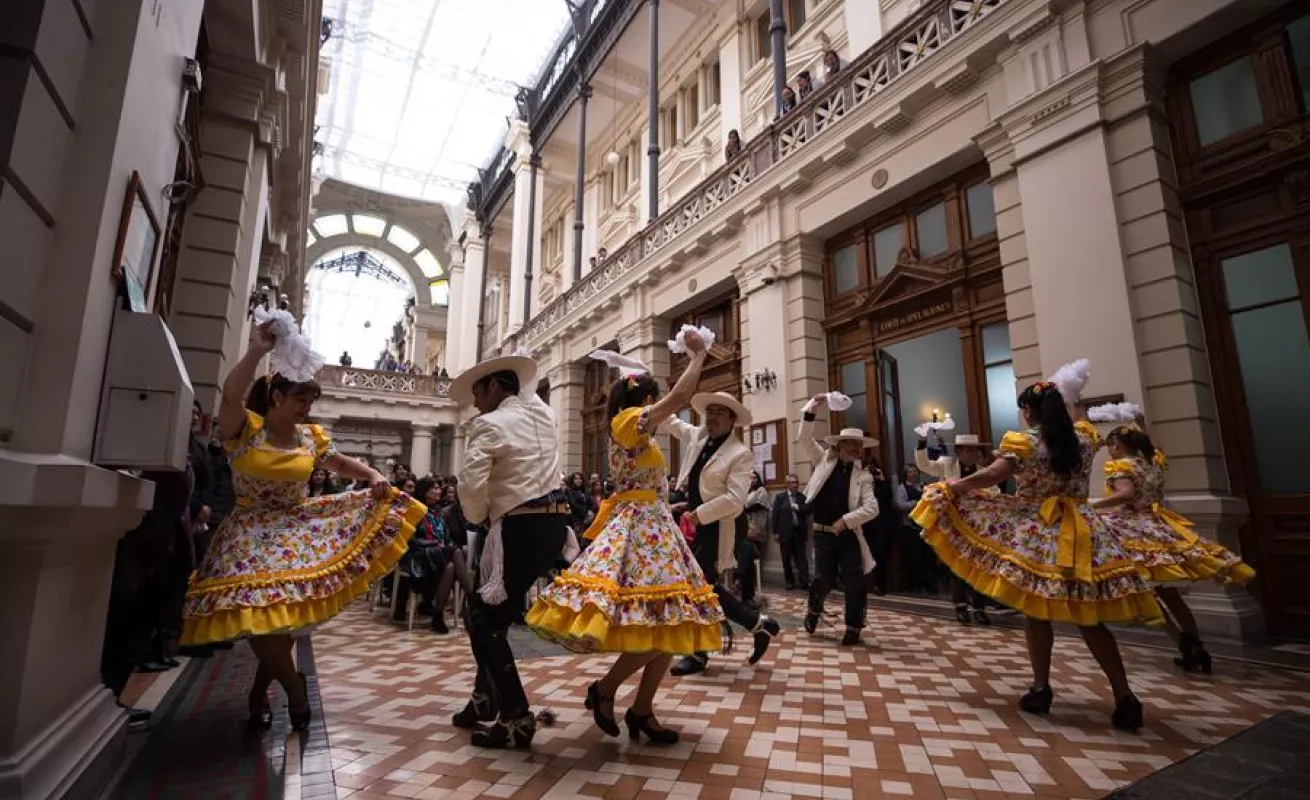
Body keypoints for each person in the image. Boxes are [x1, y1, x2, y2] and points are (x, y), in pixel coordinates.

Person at [181, 318, 424, 731]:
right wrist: (257, 350)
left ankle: (261, 691)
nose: (307, 407)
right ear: (276, 396)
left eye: (310, 400)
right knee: (259, 615)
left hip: (297, 532)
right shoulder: (245, 429)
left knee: (285, 616)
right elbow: (230, 393)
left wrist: (374, 476)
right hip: (247, 537)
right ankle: (293, 688)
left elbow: (342, 463)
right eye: (301, 399)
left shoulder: (311, 437)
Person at [911, 376, 1160, 730]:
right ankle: (1124, 695)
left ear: (1028, 411)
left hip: (1041, 531)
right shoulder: (1084, 439)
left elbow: (994, 474)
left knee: (1036, 611)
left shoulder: (1026, 443)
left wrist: (955, 485)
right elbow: (1083, 419)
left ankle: (1042, 686)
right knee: (1089, 617)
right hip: (1083, 530)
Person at [526, 340, 724, 745]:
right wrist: (699, 357)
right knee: (660, 623)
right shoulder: (626, 421)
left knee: (671, 622)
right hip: (639, 532)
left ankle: (642, 709)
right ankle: (606, 688)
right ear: (645, 399)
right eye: (654, 398)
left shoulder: (639, 429)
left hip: (654, 527)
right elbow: (682, 396)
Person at [448, 354, 571, 749]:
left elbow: (470, 486)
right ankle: (484, 699)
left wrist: (480, 516)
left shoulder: (488, 423)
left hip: (519, 527)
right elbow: (529, 396)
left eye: (478, 392)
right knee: (487, 614)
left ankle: (516, 716)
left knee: (484, 619)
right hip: (554, 527)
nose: (475, 402)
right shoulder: (543, 415)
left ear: (496, 388)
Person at [1091, 412, 1254, 674]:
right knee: (1172, 596)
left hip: (1132, 530)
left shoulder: (1121, 466)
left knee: (1149, 596)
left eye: (1112, 445)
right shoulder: (1151, 464)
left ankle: (1181, 643)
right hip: (1158, 526)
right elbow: (1152, 453)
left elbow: (1126, 493)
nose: (1110, 450)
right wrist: (1141, 423)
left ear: (1118, 446)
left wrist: (1094, 505)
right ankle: (1197, 646)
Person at [665, 392, 781, 677]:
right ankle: (756, 624)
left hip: (720, 525)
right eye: (710, 411)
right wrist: (650, 401)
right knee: (701, 588)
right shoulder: (700, 438)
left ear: (732, 419)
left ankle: (701, 652)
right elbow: (672, 423)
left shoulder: (740, 453)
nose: (712, 417)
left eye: (720, 412)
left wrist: (699, 513)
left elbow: (735, 499)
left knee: (699, 588)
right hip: (699, 523)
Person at [796, 395, 880, 645]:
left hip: (848, 534)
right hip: (822, 532)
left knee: (855, 580)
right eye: (851, 445)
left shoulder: (863, 476)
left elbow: (872, 508)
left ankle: (853, 626)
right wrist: (813, 407)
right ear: (840, 446)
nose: (856, 449)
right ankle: (813, 611)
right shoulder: (823, 460)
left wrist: (846, 520)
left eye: (859, 446)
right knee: (823, 578)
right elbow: (804, 438)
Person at [916, 433, 993, 624]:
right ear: (959, 451)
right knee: (956, 566)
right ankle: (960, 606)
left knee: (978, 567)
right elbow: (924, 464)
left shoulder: (984, 471)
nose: (972, 453)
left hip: (977, 526)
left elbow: (993, 493)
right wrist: (922, 443)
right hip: (953, 525)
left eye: (975, 449)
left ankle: (979, 607)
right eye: (967, 449)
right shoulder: (946, 466)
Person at [770, 473, 811, 590]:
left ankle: (804, 581)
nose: (795, 485)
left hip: (798, 532)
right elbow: (775, 516)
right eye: (792, 483)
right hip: (785, 533)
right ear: (787, 484)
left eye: (796, 482)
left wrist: (798, 507)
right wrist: (775, 532)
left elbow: (808, 509)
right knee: (786, 558)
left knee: (801, 559)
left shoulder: (802, 497)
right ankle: (789, 582)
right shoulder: (780, 498)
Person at [740, 471, 770, 608]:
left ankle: (750, 592)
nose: (752, 480)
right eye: (750, 477)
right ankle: (740, 585)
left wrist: (743, 508)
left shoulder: (761, 491)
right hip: (745, 529)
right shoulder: (745, 491)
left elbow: (755, 506)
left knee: (752, 559)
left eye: (754, 477)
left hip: (756, 528)